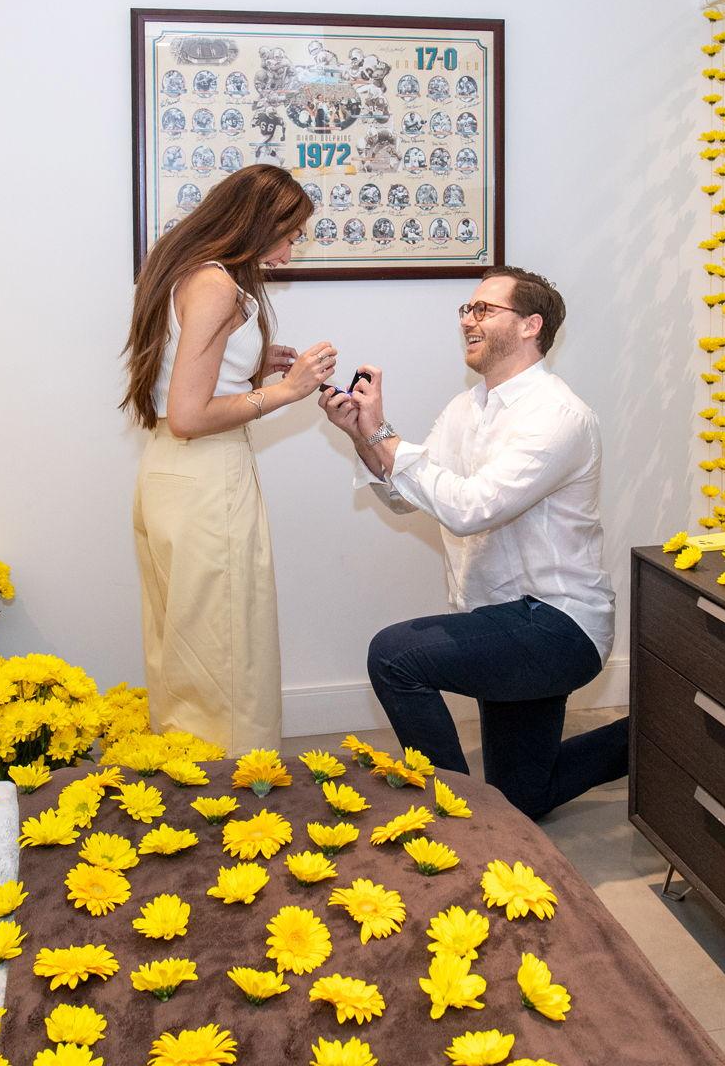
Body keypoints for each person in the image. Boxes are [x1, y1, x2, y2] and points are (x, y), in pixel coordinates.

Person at [319, 265, 628, 819]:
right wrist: (364, 435)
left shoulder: (558, 416)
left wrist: (384, 433)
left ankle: (455, 812)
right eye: (467, 309)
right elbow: (406, 497)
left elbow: (469, 510)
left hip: (556, 624)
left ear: (531, 325)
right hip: (499, 618)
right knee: (523, 798)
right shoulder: (468, 407)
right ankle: (654, 732)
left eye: (485, 309)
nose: (468, 319)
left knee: (394, 656)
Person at [122, 164, 337, 754]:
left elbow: (179, 385)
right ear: (257, 223)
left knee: (183, 649)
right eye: (289, 237)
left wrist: (250, 362)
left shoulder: (185, 271)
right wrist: (287, 391)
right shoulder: (216, 286)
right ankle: (234, 787)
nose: (288, 255)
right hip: (206, 475)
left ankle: (189, 776)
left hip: (169, 472)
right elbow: (191, 415)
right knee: (225, 652)